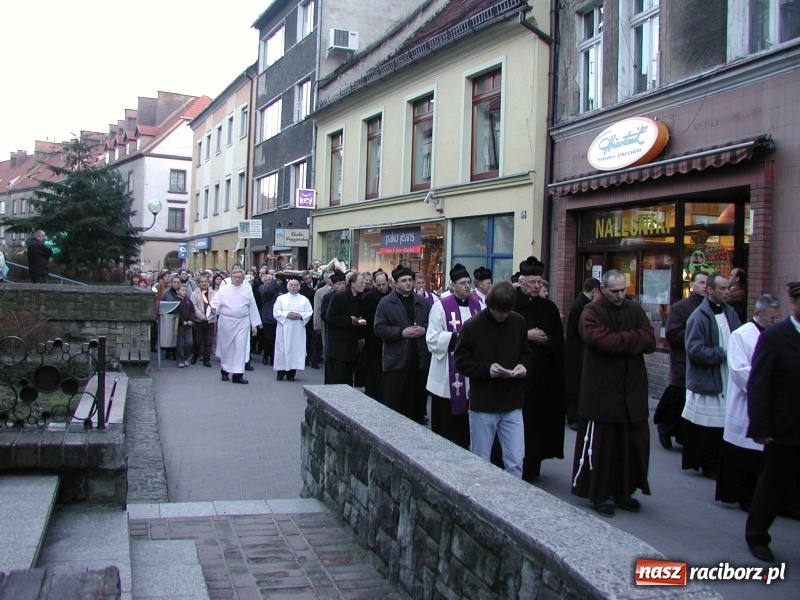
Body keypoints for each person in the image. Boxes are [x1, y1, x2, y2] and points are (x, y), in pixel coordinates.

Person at [571, 269, 656, 517]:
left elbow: (650, 339)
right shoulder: (590, 312)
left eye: (623, 290)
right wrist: (632, 339)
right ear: (602, 290)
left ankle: (623, 491)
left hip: (632, 391)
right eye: (615, 291)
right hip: (602, 392)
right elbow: (602, 341)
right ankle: (601, 493)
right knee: (602, 448)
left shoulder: (634, 310)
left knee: (631, 445)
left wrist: (622, 339)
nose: (620, 296)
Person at [745, 281, 800, 563]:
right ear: (794, 304)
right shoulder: (775, 337)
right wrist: (761, 427)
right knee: (772, 485)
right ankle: (757, 536)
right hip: (783, 428)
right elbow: (758, 385)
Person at [454, 282, 531, 477]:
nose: (502, 316)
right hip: (484, 403)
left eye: (506, 312)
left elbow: (526, 353)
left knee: (515, 460)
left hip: (512, 401)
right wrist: (487, 369)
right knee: (480, 460)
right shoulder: (473, 326)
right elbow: (461, 360)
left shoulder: (519, 322)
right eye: (498, 311)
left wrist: (524, 366)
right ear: (489, 304)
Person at [716, 294, 781, 509]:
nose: (773, 322)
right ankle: (743, 496)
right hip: (746, 400)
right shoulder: (741, 335)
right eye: (769, 318)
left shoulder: (775, 335)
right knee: (744, 453)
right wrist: (766, 382)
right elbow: (738, 370)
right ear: (757, 313)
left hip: (768, 402)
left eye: (775, 318)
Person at [682, 273, 741, 480]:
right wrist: (721, 353)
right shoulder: (698, 317)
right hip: (709, 376)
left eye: (728, 288)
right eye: (723, 288)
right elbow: (694, 349)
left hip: (727, 375)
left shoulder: (730, 312)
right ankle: (708, 464)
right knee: (709, 425)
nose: (727, 292)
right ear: (710, 290)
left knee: (723, 424)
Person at [514, 257, 566, 481]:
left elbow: (558, 341)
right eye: (532, 282)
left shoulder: (549, 307)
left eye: (539, 282)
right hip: (519, 374)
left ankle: (535, 464)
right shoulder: (512, 304)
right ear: (521, 281)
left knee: (540, 421)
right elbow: (501, 336)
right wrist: (527, 335)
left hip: (543, 375)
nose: (536, 286)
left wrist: (547, 341)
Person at [426, 263, 482, 449]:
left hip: (469, 371)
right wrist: (457, 338)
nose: (467, 286)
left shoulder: (478, 306)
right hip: (446, 374)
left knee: (466, 420)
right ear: (452, 285)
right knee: (447, 422)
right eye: (462, 282)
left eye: (469, 282)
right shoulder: (440, 306)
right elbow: (432, 338)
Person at [654, 272, 708, 449]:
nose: (704, 286)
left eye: (707, 283)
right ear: (692, 285)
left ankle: (684, 436)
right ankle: (665, 427)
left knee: (694, 403)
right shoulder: (680, 307)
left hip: (702, 364)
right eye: (700, 282)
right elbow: (672, 334)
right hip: (683, 362)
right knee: (678, 400)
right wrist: (697, 334)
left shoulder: (711, 307)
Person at [374, 266, 431, 422]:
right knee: (395, 405)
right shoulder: (386, 303)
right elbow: (379, 328)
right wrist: (401, 332)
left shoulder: (421, 302)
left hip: (418, 358)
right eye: (404, 280)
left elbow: (432, 324)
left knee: (416, 403)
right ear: (395, 283)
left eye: (410, 280)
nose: (408, 283)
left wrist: (423, 329)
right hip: (396, 360)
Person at [210, 268, 262, 384]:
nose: (237, 279)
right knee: (227, 347)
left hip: (242, 322)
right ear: (231, 278)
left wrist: (254, 325)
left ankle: (238, 374)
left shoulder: (247, 290)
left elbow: (252, 307)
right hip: (227, 322)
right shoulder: (224, 290)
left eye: (240, 277)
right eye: (235, 277)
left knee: (240, 348)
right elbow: (215, 303)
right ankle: (225, 371)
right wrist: (213, 309)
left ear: (243, 278)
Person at [564, 278, 600, 431]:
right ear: (594, 290)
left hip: (578, 350)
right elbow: (583, 329)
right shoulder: (581, 305)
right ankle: (573, 417)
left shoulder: (582, 303)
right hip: (576, 351)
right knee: (575, 384)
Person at [324, 271, 367, 385]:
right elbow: (330, 317)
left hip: (351, 347)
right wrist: (349, 320)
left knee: (348, 380)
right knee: (338, 379)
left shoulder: (361, 298)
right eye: (361, 282)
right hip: (338, 347)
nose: (364, 285)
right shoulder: (339, 297)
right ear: (353, 284)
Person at [273, 278, 313, 381]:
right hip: (284, 327)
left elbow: (309, 312)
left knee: (295, 349)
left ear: (299, 287)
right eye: (291, 285)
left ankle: (291, 373)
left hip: (297, 329)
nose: (294, 287)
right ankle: (280, 372)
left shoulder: (304, 299)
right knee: (282, 349)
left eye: (296, 285)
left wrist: (300, 315)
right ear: (288, 287)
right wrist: (287, 314)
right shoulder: (281, 298)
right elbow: (276, 311)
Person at [362, 269, 391, 401]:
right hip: (373, 340)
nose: (381, 287)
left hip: (390, 339)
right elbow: (367, 317)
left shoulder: (393, 295)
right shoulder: (368, 297)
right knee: (373, 372)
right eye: (378, 285)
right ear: (374, 283)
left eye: (383, 284)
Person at [190, 275, 216, 367]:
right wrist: (201, 316)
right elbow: (194, 307)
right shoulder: (194, 294)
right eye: (202, 282)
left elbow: (216, 304)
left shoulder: (213, 293)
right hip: (199, 321)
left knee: (208, 342)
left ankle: (206, 360)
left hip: (210, 320)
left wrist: (213, 312)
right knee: (197, 341)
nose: (204, 283)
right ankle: (195, 356)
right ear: (198, 283)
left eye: (205, 281)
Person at [259, 273, 283, 366]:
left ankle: (273, 358)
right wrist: (273, 280)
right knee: (268, 339)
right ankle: (265, 356)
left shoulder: (279, 289)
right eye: (267, 280)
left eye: (270, 280)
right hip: (268, 318)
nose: (269, 282)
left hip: (277, 318)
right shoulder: (262, 288)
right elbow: (268, 291)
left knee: (276, 340)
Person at [312, 271, 332, 368]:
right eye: (329, 278)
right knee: (325, 344)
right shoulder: (320, 292)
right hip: (324, 322)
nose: (331, 279)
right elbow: (317, 309)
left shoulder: (340, 290)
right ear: (325, 279)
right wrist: (317, 325)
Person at [174, 285, 195, 368]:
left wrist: (191, 320)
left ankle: (186, 357)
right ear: (177, 291)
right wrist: (182, 321)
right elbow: (176, 313)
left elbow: (193, 311)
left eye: (185, 290)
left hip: (189, 325)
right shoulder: (175, 301)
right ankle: (180, 359)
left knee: (189, 343)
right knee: (180, 343)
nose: (184, 292)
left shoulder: (188, 300)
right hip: (180, 325)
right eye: (182, 290)